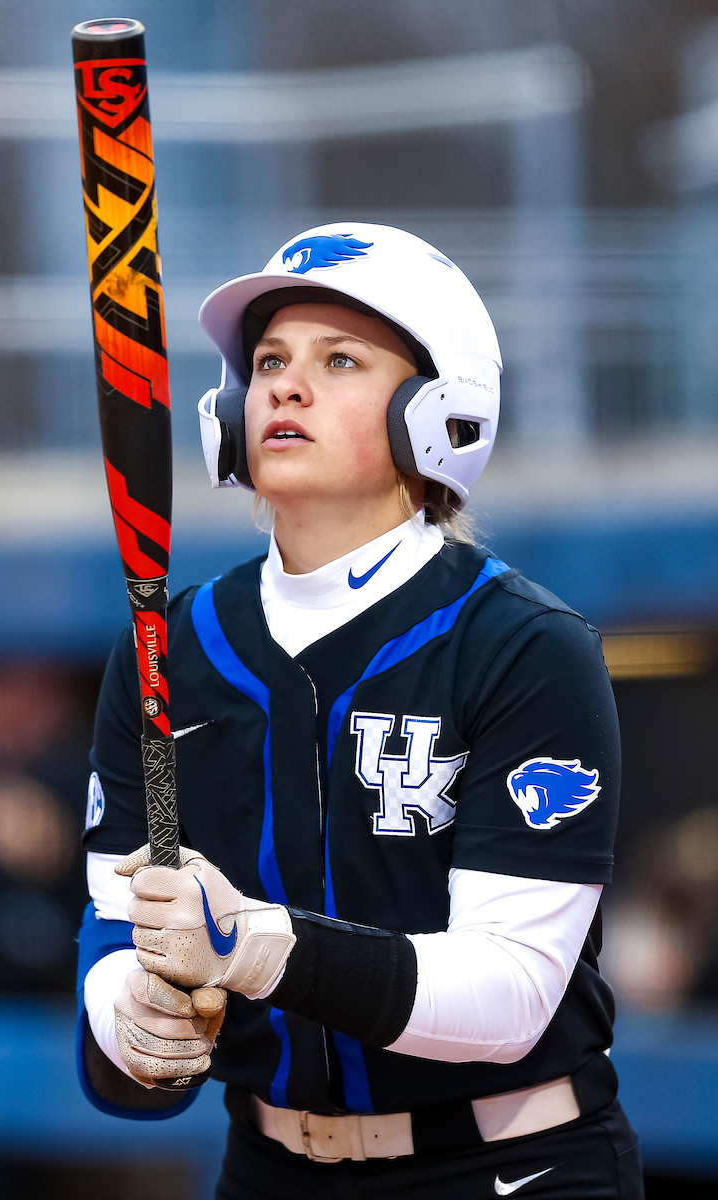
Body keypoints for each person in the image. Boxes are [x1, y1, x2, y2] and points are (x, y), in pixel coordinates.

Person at [77, 223, 643, 1197]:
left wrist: (257, 948)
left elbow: (510, 995)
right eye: (266, 362)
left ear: (438, 408)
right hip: (266, 1166)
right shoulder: (165, 651)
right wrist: (130, 1012)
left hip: (510, 1166)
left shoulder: (520, 644)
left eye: (339, 359)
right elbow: (119, 914)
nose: (286, 387)